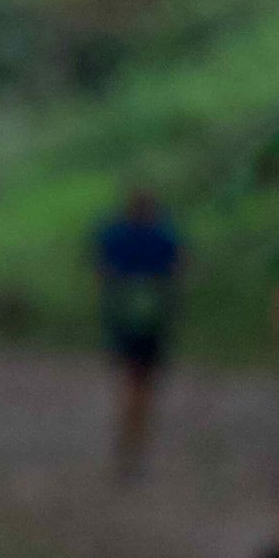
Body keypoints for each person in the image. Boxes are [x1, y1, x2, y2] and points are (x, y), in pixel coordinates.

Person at [90, 187, 183, 479]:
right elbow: (178, 269)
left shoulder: (115, 235)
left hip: (123, 322)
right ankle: (136, 446)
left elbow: (101, 271)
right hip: (154, 322)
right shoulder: (164, 236)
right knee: (145, 387)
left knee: (130, 384)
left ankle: (127, 443)